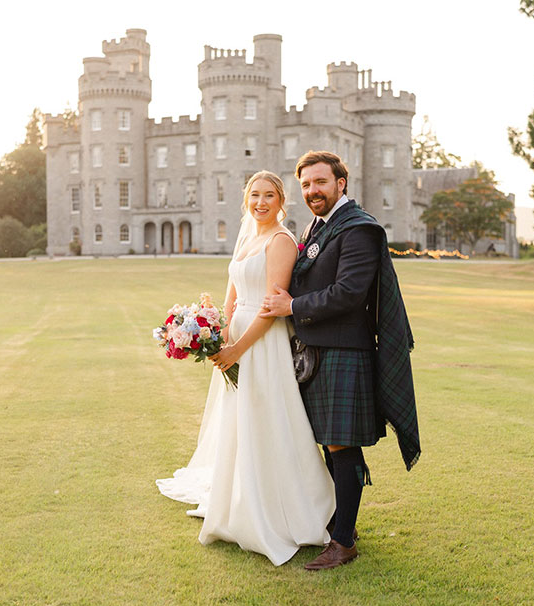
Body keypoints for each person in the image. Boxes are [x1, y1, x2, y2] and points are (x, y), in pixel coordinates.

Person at [156, 171, 335, 566]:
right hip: (236, 338)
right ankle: (235, 499)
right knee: (238, 422)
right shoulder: (247, 237)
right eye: (255, 195)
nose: (260, 202)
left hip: (262, 342)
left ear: (281, 201)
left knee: (266, 418)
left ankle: (281, 509)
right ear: (246, 199)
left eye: (269, 195)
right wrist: (216, 334)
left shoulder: (281, 241)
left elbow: (271, 308)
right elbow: (231, 296)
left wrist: (238, 348)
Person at [260, 151, 420, 571]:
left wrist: (293, 306)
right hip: (316, 351)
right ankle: (340, 524)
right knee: (331, 446)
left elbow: (349, 292)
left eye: (320, 182)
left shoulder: (359, 228)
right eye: (306, 185)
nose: (312, 191)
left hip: (344, 351)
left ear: (340, 183)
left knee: (341, 446)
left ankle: (343, 542)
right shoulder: (318, 226)